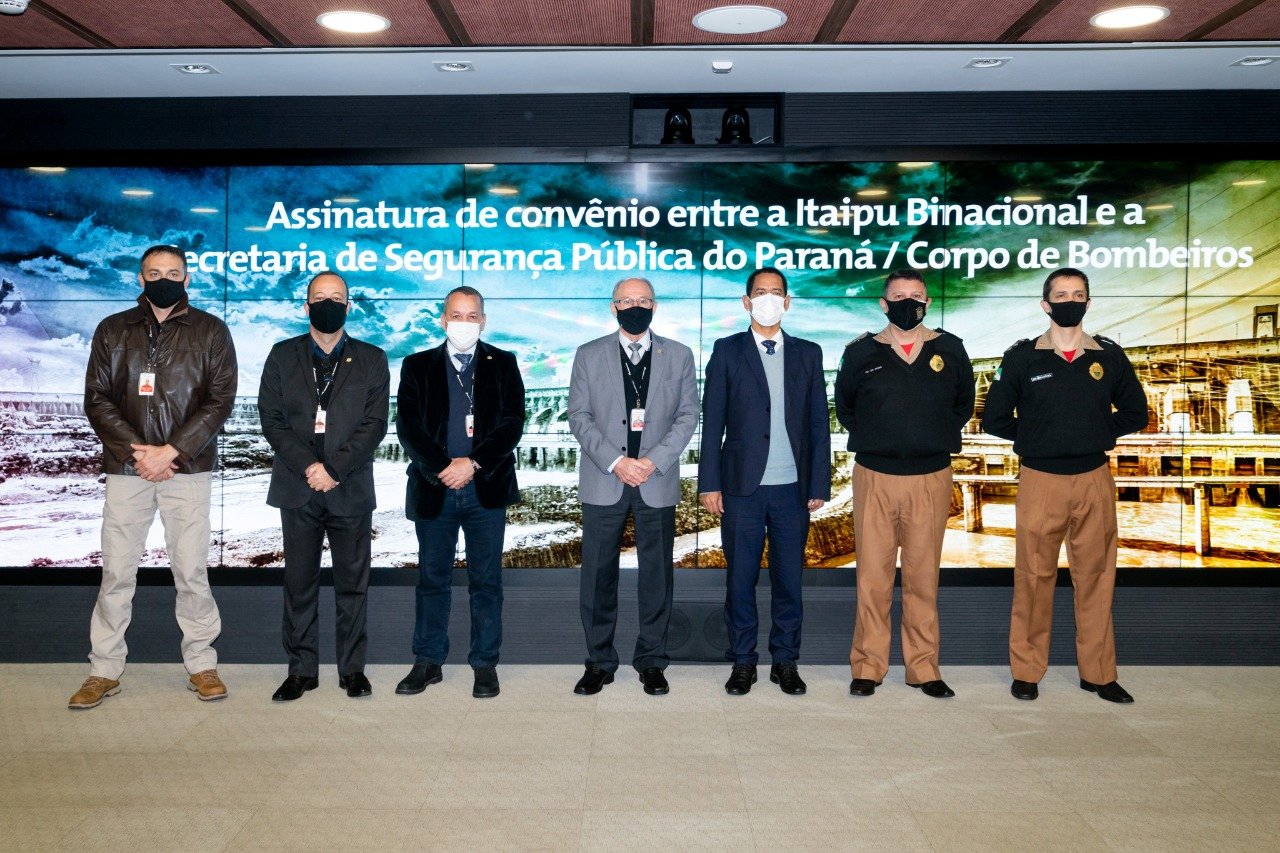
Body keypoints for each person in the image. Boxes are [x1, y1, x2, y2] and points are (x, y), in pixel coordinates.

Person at [71, 244, 237, 709]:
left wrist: (173, 451)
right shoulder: (112, 330)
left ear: (187, 279)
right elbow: (97, 398)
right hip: (127, 469)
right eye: (154, 272)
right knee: (117, 572)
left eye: (174, 272)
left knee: (191, 571)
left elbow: (219, 400)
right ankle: (103, 670)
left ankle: (201, 665)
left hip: (187, 469)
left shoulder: (210, 330)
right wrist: (139, 453)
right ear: (139, 279)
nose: (165, 278)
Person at [982, 268, 1148, 704]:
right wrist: (1040, 437)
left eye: (1078, 294)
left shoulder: (1109, 356)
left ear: (1088, 303)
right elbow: (994, 419)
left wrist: (1095, 433)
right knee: (1033, 579)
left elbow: (1136, 413)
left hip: (1094, 479)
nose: (1069, 300)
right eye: (1061, 294)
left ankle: (1098, 673)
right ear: (1046, 304)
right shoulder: (1021, 358)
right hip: (1040, 480)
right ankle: (1027, 671)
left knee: (1096, 577)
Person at [834, 269, 974, 699]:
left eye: (916, 296)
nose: (908, 302)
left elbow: (962, 406)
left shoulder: (950, 349)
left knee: (922, 577)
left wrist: (926, 440)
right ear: (883, 303)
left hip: (930, 477)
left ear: (927, 302)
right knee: (872, 578)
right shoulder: (860, 352)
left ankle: (923, 668)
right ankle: (868, 666)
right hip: (875, 476)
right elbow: (846, 408)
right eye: (899, 296)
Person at [258, 272, 390, 701]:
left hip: (348, 487)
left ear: (349, 307)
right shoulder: (282, 355)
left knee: (353, 584)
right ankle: (301, 670)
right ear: (306, 305)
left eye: (337, 298)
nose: (328, 304)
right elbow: (272, 421)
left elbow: (375, 426)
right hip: (298, 486)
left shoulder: (372, 358)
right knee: (299, 583)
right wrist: (310, 466)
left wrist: (332, 468)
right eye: (320, 297)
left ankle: (352, 671)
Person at [699, 267, 831, 696]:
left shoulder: (809, 353)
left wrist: (818, 484)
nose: (769, 299)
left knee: (789, 580)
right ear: (746, 301)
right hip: (741, 488)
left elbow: (818, 425)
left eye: (777, 292)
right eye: (760, 292)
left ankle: (785, 661)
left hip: (793, 489)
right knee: (740, 579)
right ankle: (742, 661)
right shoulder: (726, 351)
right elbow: (712, 422)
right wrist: (709, 484)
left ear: (788, 302)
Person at [566, 277, 699, 696]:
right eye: (627, 301)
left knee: (657, 576)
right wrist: (617, 461)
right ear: (614, 307)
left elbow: (688, 416)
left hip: (655, 480)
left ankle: (652, 661)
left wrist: (651, 462)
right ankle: (599, 661)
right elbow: (579, 417)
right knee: (598, 577)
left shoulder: (679, 355)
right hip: (606, 477)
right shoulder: (588, 355)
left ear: (655, 306)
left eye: (643, 300)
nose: (635, 307)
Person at [395, 285, 525, 699]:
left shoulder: (504, 363)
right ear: (442, 319)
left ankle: (484, 664)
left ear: (483, 320)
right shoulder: (417, 365)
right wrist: (444, 467)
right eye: (456, 315)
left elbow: (512, 423)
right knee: (432, 580)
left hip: (485, 488)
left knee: (486, 582)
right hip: (435, 487)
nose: (463, 323)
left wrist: (472, 462)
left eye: (472, 316)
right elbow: (409, 427)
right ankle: (428, 661)